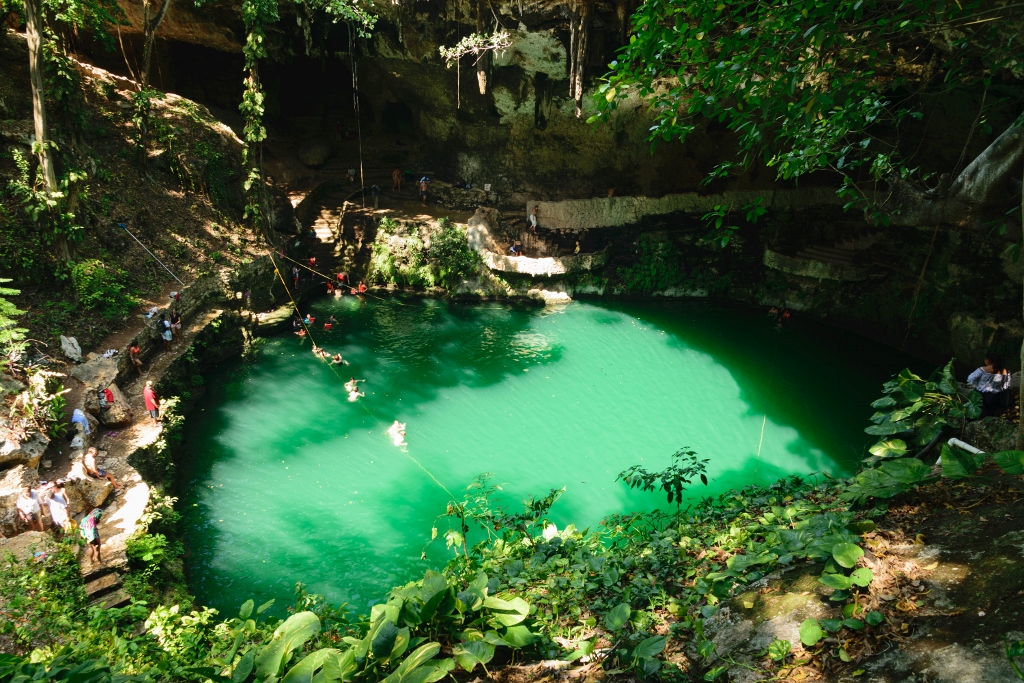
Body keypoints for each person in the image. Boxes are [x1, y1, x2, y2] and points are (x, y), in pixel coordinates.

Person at [968, 352, 1012, 418]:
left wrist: (977, 384)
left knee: (975, 411)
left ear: (988, 360)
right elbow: (1007, 385)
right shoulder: (1005, 371)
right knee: (990, 414)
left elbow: (971, 378)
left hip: (980, 393)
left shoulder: (983, 369)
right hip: (995, 396)